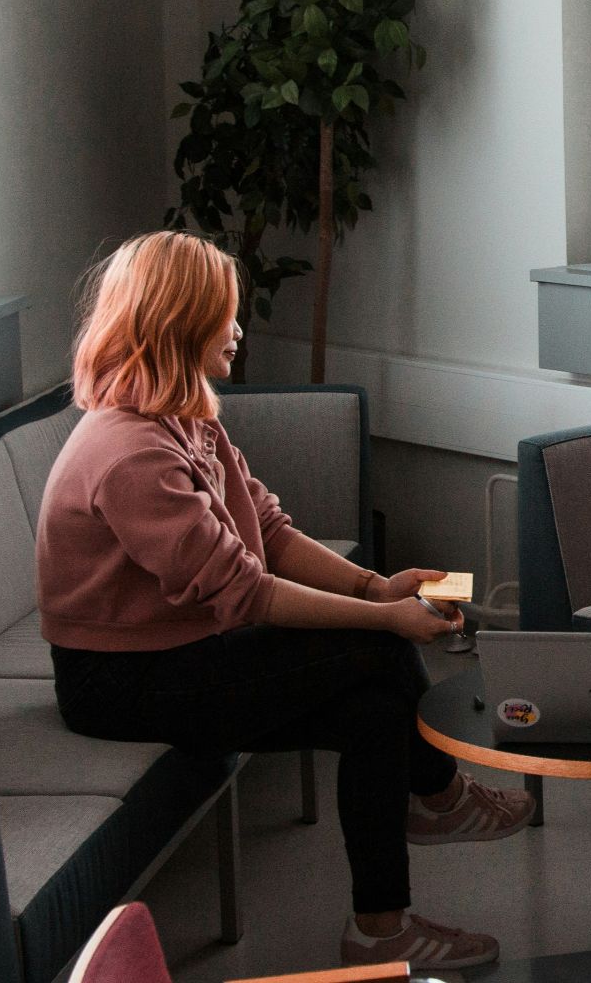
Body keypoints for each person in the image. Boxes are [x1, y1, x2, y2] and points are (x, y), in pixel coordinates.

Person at [37, 231, 533, 971]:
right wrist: (385, 618)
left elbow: (265, 528)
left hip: (176, 652)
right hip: (119, 682)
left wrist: (375, 585)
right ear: (179, 323)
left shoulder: (185, 418)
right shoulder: (129, 451)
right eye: (224, 315)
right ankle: (437, 793)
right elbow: (244, 592)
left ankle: (380, 926)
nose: (238, 329)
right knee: (377, 648)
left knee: (373, 713)